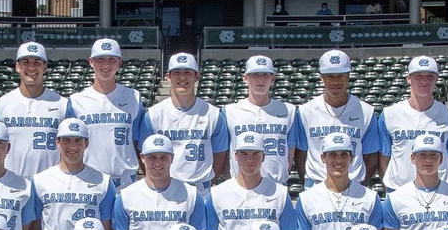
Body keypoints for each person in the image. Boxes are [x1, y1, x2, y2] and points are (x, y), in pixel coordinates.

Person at [112, 134, 211, 230]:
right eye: (152, 157)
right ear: (142, 158)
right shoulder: (126, 196)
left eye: (163, 157)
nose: (158, 163)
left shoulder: (191, 194)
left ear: (172, 158)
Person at [205, 131, 302, 230]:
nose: (250, 159)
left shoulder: (280, 193)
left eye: (255, 154)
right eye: (244, 153)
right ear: (235, 156)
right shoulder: (218, 193)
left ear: (263, 157)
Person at [30, 117, 117, 230]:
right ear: (57, 142)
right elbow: (35, 229)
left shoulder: (103, 182)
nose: (72, 146)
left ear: (86, 144)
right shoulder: (40, 180)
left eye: (78, 140)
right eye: (66, 140)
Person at [297, 132, 382, 230]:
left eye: (344, 154)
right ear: (323, 158)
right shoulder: (307, 198)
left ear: (352, 158)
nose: (338, 160)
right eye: (332, 154)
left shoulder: (369, 198)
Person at [138, 53, 229, 189]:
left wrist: (209, 182)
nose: (182, 77)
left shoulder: (213, 114)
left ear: (197, 76)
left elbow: (220, 157)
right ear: (168, 77)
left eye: (187, 72)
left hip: (201, 189)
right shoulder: (153, 115)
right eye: (177, 72)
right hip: (166, 189)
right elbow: (144, 156)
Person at [0, 41, 72, 180]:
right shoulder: (1, 105)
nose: (31, 67)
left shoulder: (63, 104)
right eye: (26, 62)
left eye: (37, 62)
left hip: (51, 184)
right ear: (17, 67)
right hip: (10, 184)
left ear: (45, 67)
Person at [65, 38, 143, 188]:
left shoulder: (133, 97)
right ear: (91, 62)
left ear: (119, 62)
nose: (106, 64)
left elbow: (136, 141)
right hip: (88, 182)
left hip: (125, 182)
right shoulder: (76, 101)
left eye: (111, 59)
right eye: (100, 59)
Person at [377, 56, 448, 192]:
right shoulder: (389, 115)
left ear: (437, 78)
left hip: (437, 191)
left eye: (430, 77)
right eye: (418, 76)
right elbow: (384, 159)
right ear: (408, 79)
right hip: (398, 190)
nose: (424, 81)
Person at [297, 50, 380, 188]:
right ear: (321, 77)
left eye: (340, 76)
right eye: (330, 76)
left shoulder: (366, 111)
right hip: (316, 185)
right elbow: (300, 155)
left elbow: (371, 157)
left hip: (354, 185)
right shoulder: (306, 111)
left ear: (348, 77)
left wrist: (358, 186)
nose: (336, 81)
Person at [221, 55, 304, 185]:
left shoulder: (289, 111)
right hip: (239, 186)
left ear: (273, 79)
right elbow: (224, 155)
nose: (260, 80)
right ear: (245, 78)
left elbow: (290, 153)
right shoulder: (230, 111)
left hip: (276, 186)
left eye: (265, 75)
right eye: (255, 75)